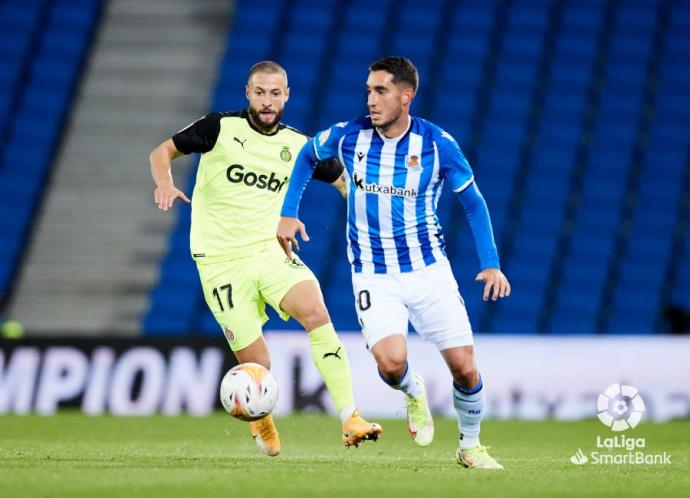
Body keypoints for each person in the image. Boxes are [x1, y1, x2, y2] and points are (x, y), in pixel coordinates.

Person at [277, 56, 510, 469]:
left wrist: (490, 263)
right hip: (374, 274)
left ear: (406, 96)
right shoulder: (349, 136)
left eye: (380, 90)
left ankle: (470, 446)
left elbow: (473, 203)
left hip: (428, 272)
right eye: (368, 90)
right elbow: (307, 156)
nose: (371, 99)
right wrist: (289, 211)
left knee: (465, 368)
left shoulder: (438, 144)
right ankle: (411, 391)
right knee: (390, 365)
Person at [149, 60, 382, 457]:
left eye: (276, 93)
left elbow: (340, 176)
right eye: (260, 92)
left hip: (269, 251)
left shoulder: (297, 146)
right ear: (248, 93)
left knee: (315, 310)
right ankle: (261, 419)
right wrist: (166, 184)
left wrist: (358, 205)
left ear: (287, 95)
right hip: (219, 261)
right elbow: (162, 152)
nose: (268, 100)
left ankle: (351, 417)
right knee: (257, 363)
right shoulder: (219, 128)